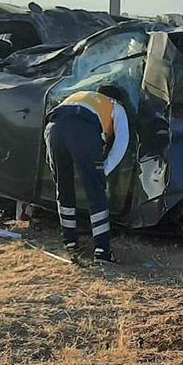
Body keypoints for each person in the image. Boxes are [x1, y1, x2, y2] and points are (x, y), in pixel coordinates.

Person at [44, 84, 131, 265]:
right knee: (95, 192)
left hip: (54, 129)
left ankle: (69, 242)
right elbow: (122, 141)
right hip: (83, 130)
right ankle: (102, 251)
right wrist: (104, 170)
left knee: (63, 187)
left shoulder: (79, 96)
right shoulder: (115, 106)